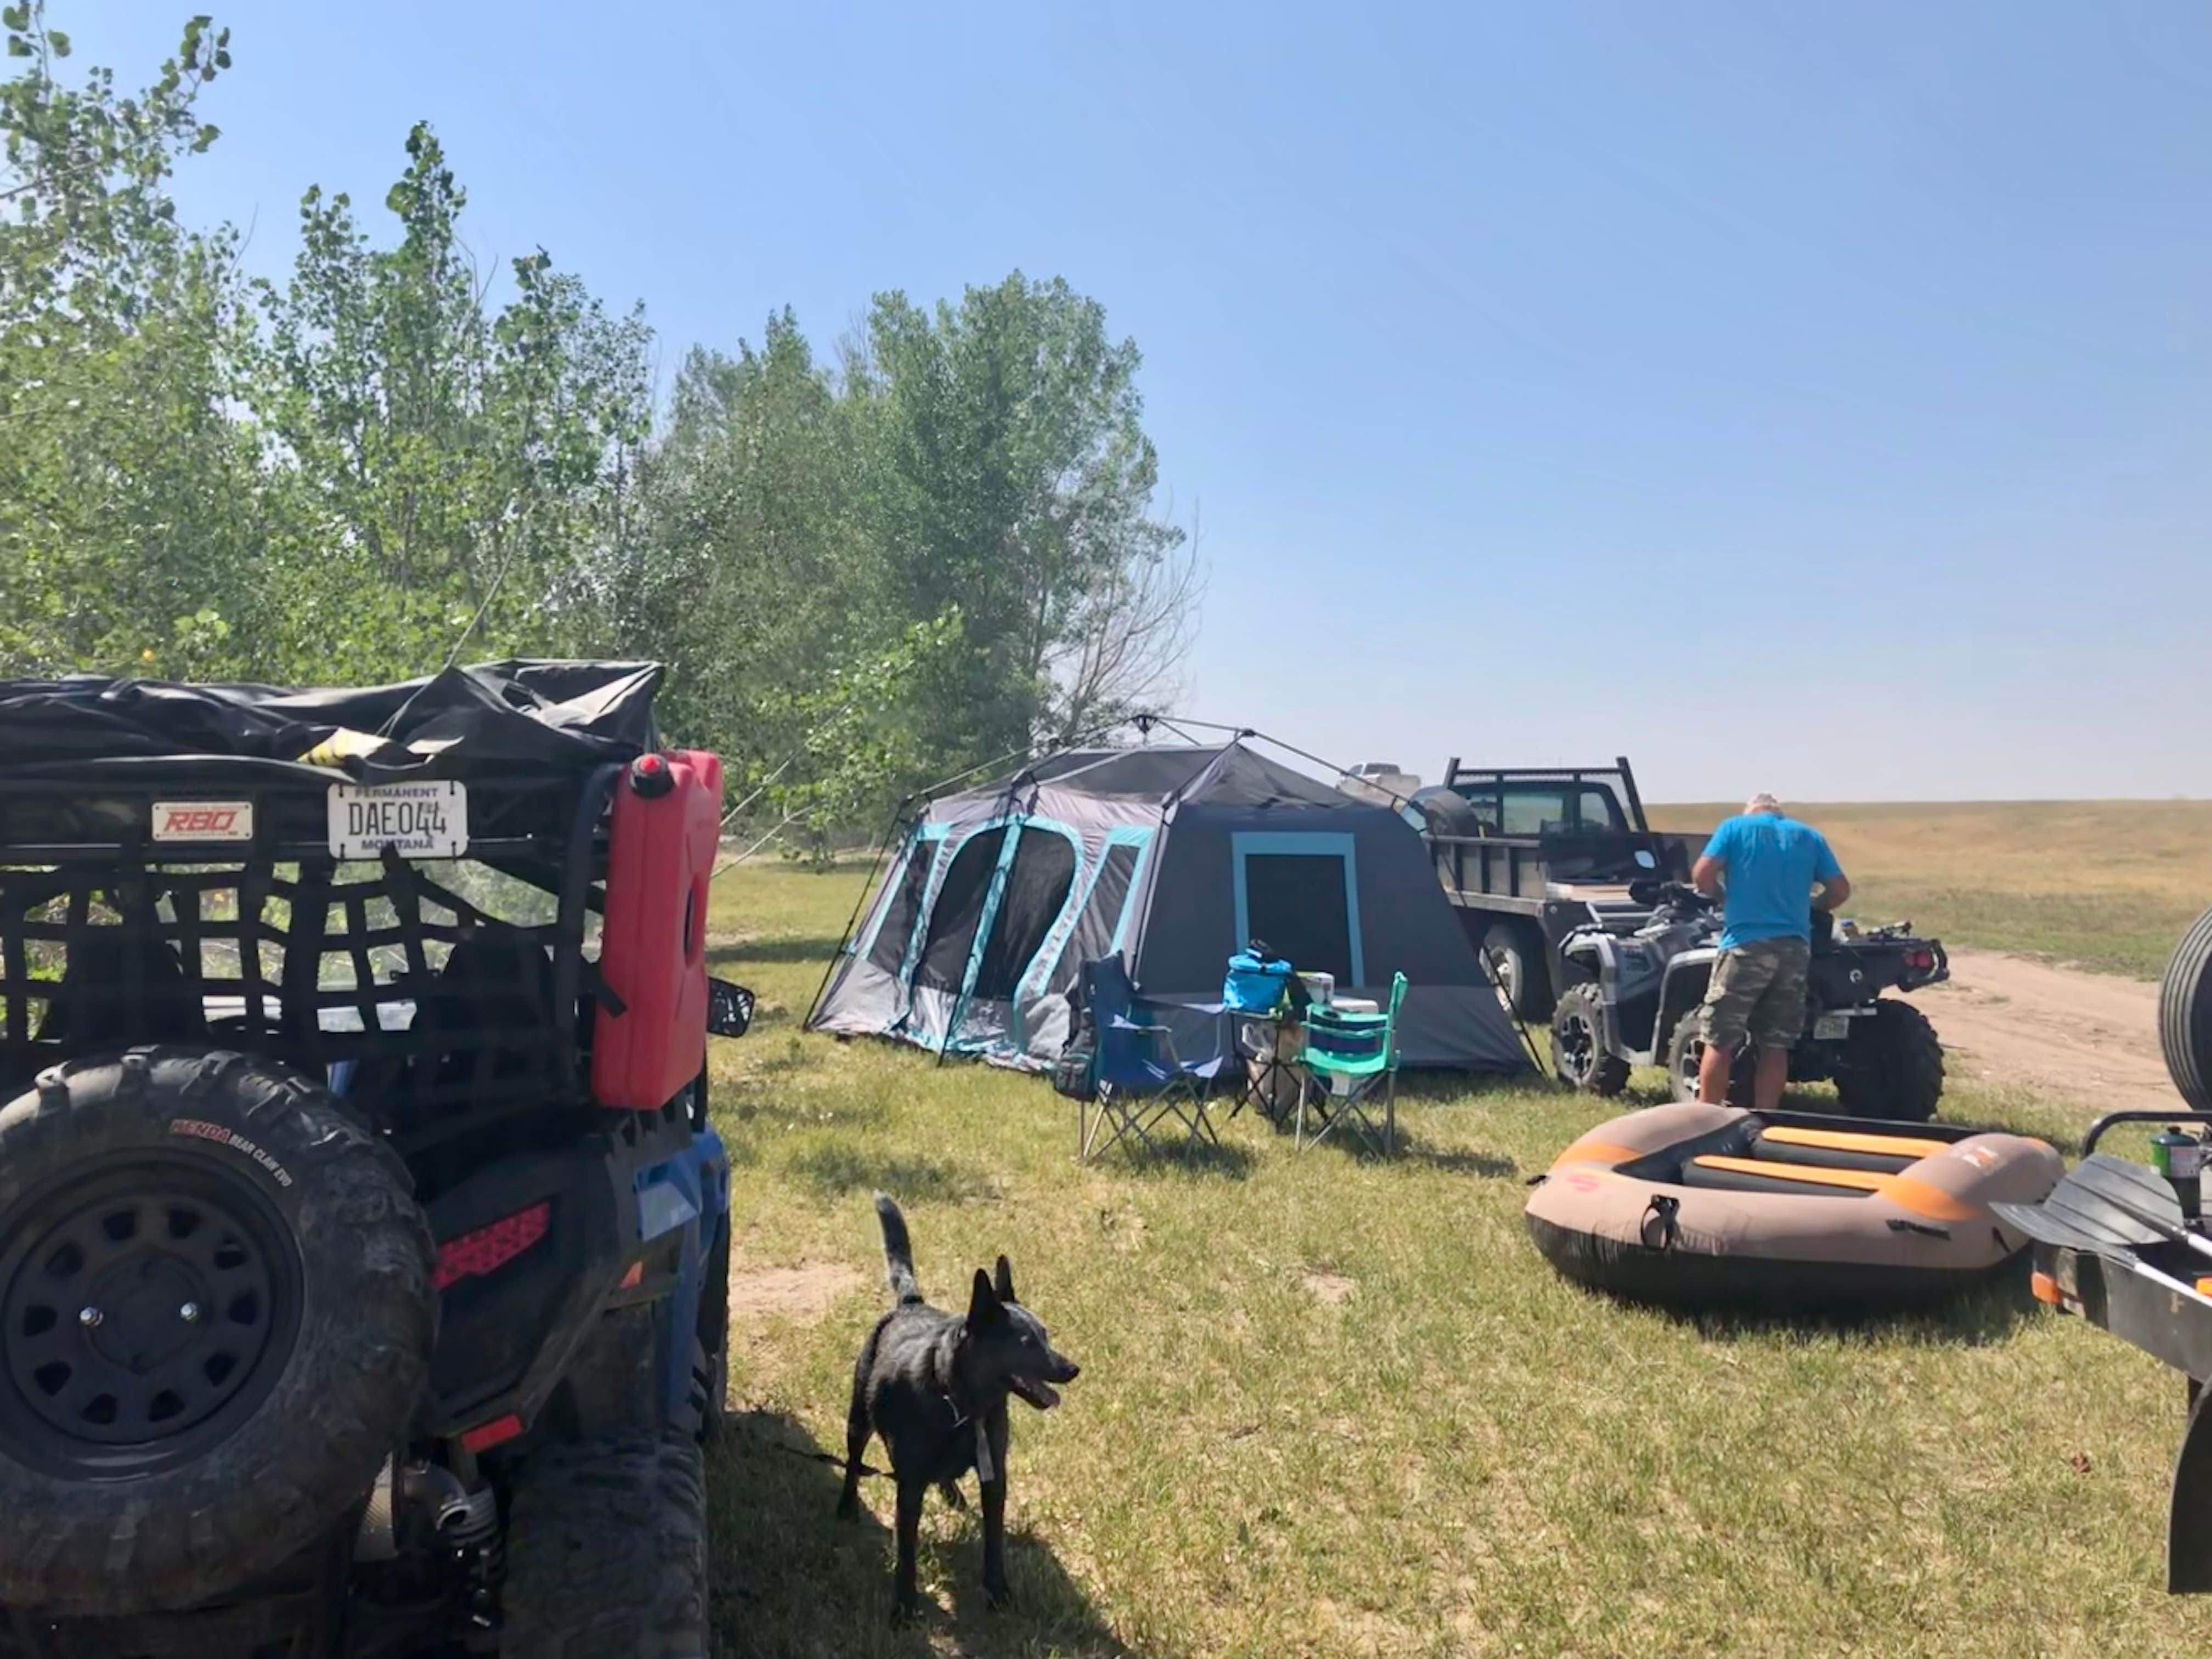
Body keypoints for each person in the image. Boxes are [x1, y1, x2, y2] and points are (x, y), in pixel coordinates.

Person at [1690, 793, 1850, 1111]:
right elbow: (1840, 890)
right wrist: (1810, 908)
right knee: (1776, 1043)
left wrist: (1722, 896)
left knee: (1720, 1038)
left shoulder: (1734, 829)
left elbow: (1702, 875)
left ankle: (1706, 1115)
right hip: (1793, 950)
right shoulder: (1809, 836)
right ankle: (1766, 1117)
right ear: (1779, 814)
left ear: (1751, 811)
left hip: (1745, 946)